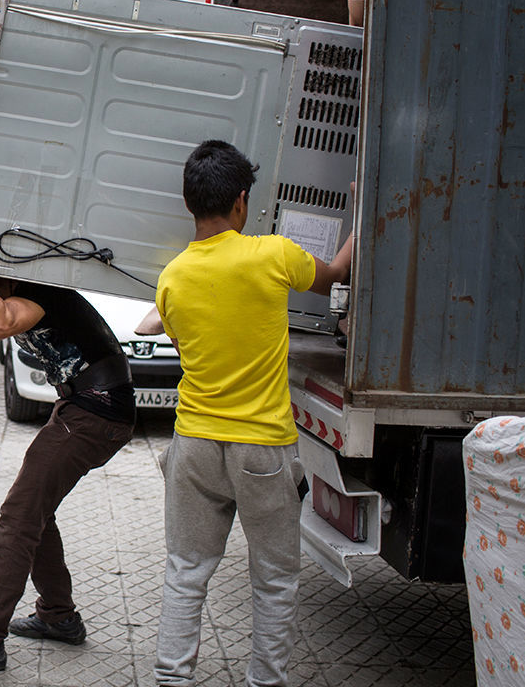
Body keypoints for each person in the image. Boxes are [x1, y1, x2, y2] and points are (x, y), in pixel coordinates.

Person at [153, 140, 352, 687]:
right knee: (274, 578)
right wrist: (361, 212)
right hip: (262, 448)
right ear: (241, 201)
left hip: (193, 444)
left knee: (186, 572)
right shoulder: (273, 255)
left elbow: (175, 334)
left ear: (189, 203)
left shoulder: (171, 277)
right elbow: (333, 273)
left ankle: (172, 679)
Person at [0, 209, 136, 672]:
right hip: (86, 406)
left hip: (96, 411)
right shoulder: (19, 290)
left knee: (18, 518)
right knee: (36, 512)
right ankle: (59, 618)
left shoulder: (39, 289)